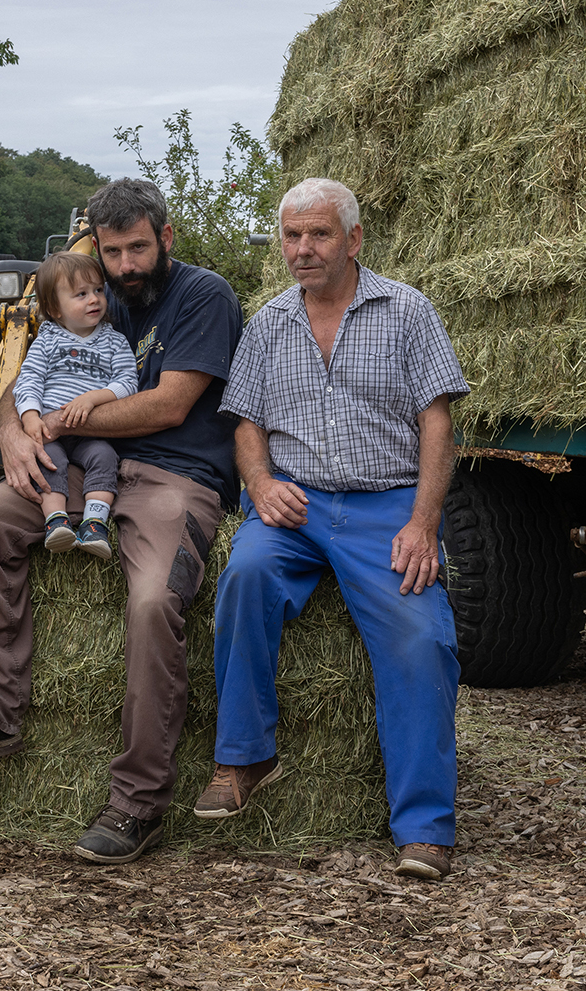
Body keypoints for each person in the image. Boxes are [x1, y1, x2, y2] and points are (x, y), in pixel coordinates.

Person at [0, 177, 244, 865]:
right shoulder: (91, 293)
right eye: (112, 251)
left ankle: (138, 800)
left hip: (173, 477)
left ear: (165, 238)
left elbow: (168, 405)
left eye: (138, 249)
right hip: (80, 467)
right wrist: (15, 430)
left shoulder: (203, 296)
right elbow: (24, 374)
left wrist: (56, 422)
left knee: (153, 602)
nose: (124, 266)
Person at [199, 177, 468, 882]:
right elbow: (246, 423)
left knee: (420, 639)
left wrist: (422, 522)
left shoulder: (406, 310)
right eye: (291, 235)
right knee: (244, 575)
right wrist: (260, 484)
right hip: (297, 505)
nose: (303, 249)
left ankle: (423, 827)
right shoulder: (268, 323)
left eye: (318, 234)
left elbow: (437, 424)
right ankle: (244, 756)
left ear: (353, 240)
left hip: (386, 506)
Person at [13, 251, 139, 559]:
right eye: (81, 294)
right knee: (48, 460)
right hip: (51, 429)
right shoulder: (47, 340)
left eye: (98, 290)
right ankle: (56, 521)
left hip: (91, 432)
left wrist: (93, 398)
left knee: (105, 457)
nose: (94, 299)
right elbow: (28, 380)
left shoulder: (115, 341)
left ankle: (95, 524)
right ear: (55, 308)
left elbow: (128, 382)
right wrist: (30, 417)